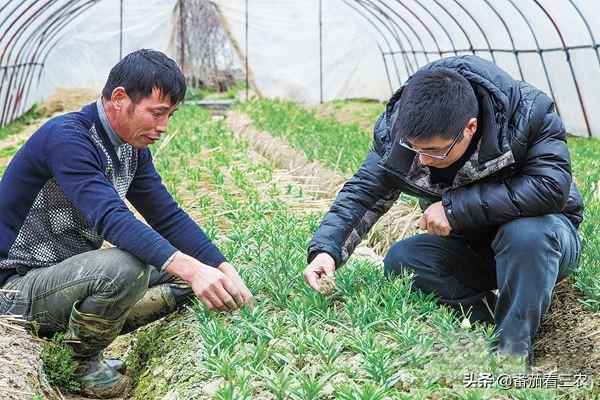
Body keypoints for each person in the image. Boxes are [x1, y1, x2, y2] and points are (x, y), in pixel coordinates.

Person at [0, 49, 253, 398]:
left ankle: (87, 337)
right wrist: (192, 270)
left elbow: (166, 215)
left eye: (170, 115)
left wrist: (220, 266)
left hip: (63, 279)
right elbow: (110, 218)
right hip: (16, 286)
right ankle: (79, 361)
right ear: (119, 99)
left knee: (196, 274)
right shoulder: (67, 138)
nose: (163, 127)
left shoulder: (131, 149)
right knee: (126, 267)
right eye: (157, 113)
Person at [304, 55, 583, 364]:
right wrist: (326, 250)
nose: (422, 160)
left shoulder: (529, 113)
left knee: (525, 233)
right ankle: (491, 317)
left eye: (435, 151)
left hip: (542, 244)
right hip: (473, 245)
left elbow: (550, 187)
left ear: (470, 128)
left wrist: (455, 210)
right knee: (404, 260)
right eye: (415, 148)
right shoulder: (398, 135)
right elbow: (364, 192)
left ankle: (513, 350)